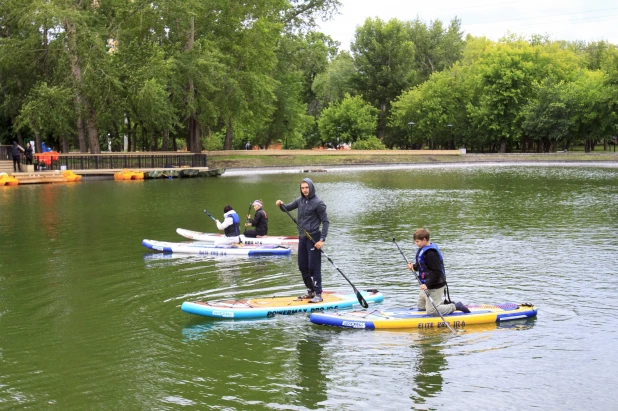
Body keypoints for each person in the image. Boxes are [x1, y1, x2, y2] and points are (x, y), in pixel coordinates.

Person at [276, 178, 329, 303]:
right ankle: (310, 291)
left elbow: (326, 222)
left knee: (313, 266)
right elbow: (286, 208)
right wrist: (280, 204)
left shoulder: (318, 203)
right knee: (302, 266)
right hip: (302, 237)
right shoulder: (300, 201)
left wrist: (322, 239)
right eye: (302, 188)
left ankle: (318, 293)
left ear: (311, 187)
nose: (305, 190)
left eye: (307, 187)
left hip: (314, 238)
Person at [407, 228, 470, 316]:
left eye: (417, 241)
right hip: (427, 285)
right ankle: (442, 304)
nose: (416, 243)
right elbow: (422, 266)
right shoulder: (424, 250)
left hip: (435, 285)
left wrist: (427, 285)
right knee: (421, 307)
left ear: (424, 239)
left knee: (432, 311)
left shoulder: (431, 254)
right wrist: (413, 267)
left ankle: (456, 306)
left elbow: (438, 272)